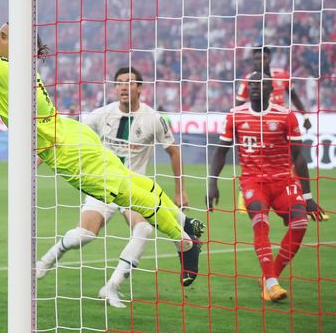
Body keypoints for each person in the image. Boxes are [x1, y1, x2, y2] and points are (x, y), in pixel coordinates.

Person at [0, 0, 201, 289]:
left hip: (65, 152)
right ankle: (184, 223)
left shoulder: (7, 72)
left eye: (2, 36)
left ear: (16, 46)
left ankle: (184, 241)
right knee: (133, 183)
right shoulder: (12, 59)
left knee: (127, 194)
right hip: (70, 132)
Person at [36, 67, 203, 308]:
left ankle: (111, 287)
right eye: (120, 83)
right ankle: (49, 258)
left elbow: (174, 151)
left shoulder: (154, 119)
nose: (124, 87)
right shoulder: (101, 114)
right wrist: (37, 161)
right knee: (84, 235)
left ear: (140, 88)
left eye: (130, 83)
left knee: (144, 229)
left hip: (134, 188)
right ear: (115, 88)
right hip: (101, 184)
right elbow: (65, 137)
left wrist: (180, 191)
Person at [207, 70, 315, 302]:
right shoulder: (235, 115)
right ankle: (272, 284)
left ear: (271, 88)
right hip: (253, 182)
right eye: (251, 83)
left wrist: (307, 195)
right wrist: (212, 183)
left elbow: (298, 157)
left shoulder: (286, 115)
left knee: (300, 223)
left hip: (283, 180)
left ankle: (269, 275)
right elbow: (220, 152)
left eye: (261, 83)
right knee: (260, 222)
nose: (254, 86)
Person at [233, 44, 325, 219]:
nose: (260, 61)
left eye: (264, 58)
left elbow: (295, 97)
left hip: (281, 129)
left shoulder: (283, 76)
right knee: (255, 164)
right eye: (257, 58)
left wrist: (305, 117)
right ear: (253, 60)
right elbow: (238, 105)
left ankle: (295, 204)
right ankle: (246, 191)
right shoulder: (248, 80)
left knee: (291, 164)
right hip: (257, 128)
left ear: (270, 59)